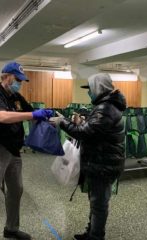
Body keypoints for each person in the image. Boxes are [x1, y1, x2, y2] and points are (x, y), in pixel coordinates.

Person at [0, 61, 53, 240]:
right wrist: (33, 115)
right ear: (6, 77)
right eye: (17, 79)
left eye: (21, 80)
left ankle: (11, 228)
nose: (20, 82)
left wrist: (50, 118)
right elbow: (3, 117)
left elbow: (32, 114)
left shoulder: (17, 97)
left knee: (16, 190)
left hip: (14, 151)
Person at [50, 73, 126, 240]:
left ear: (98, 88)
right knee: (96, 202)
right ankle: (92, 232)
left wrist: (62, 122)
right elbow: (95, 130)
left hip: (104, 163)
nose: (88, 93)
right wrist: (79, 123)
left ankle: (96, 236)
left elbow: (85, 133)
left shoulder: (106, 108)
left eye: (90, 89)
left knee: (99, 204)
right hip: (102, 161)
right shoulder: (106, 106)